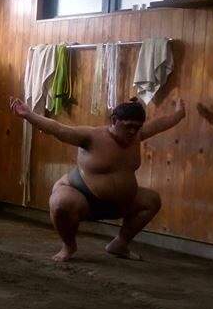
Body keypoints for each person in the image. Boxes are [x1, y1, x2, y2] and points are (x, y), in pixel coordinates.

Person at [10, 95, 186, 262]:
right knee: (60, 202)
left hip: (119, 202)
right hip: (83, 197)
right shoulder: (91, 136)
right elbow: (58, 129)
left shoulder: (136, 136)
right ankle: (69, 246)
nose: (133, 131)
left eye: (137, 126)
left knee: (151, 200)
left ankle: (120, 244)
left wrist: (178, 114)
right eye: (128, 126)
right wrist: (28, 114)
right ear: (114, 121)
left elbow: (159, 124)